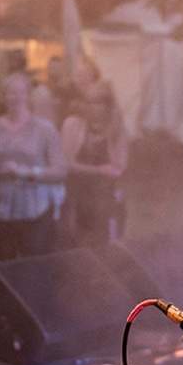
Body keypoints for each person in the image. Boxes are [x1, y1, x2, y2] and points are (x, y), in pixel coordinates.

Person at [0, 72, 65, 261]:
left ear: (28, 95)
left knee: (33, 267)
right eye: (10, 92)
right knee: (2, 265)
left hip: (35, 210)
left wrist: (26, 172)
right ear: (3, 96)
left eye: (20, 92)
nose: (15, 97)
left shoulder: (44, 129)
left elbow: (60, 171)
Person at [61, 78, 129, 245]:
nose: (92, 108)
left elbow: (118, 168)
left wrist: (105, 172)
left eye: (98, 103)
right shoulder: (72, 125)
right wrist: (98, 171)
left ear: (107, 106)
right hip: (75, 198)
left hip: (105, 201)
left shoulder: (117, 130)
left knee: (107, 248)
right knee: (74, 246)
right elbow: (64, 164)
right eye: (88, 102)